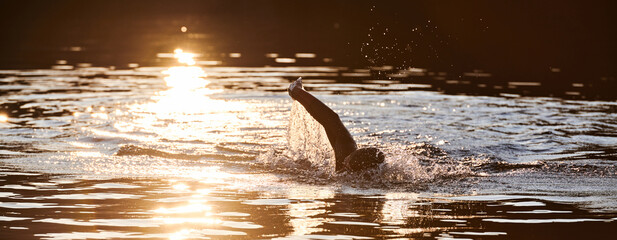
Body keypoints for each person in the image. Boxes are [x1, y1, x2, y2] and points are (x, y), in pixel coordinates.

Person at [288, 77, 385, 172]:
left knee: (335, 125)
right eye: (347, 159)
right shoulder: (384, 174)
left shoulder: (344, 173)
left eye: (346, 162)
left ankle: (297, 92)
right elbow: (331, 120)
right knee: (335, 125)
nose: (344, 162)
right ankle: (297, 92)